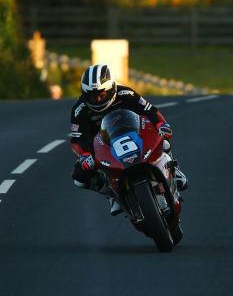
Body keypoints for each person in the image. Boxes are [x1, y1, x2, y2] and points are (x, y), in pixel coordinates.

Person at [69, 63, 188, 215]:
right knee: (80, 178)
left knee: (163, 141)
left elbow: (150, 110)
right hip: (104, 144)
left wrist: (161, 124)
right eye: (92, 96)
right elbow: (76, 139)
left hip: (135, 132)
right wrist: (85, 156)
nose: (97, 99)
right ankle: (111, 194)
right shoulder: (79, 109)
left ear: (111, 88)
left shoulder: (126, 93)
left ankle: (173, 168)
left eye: (101, 94)